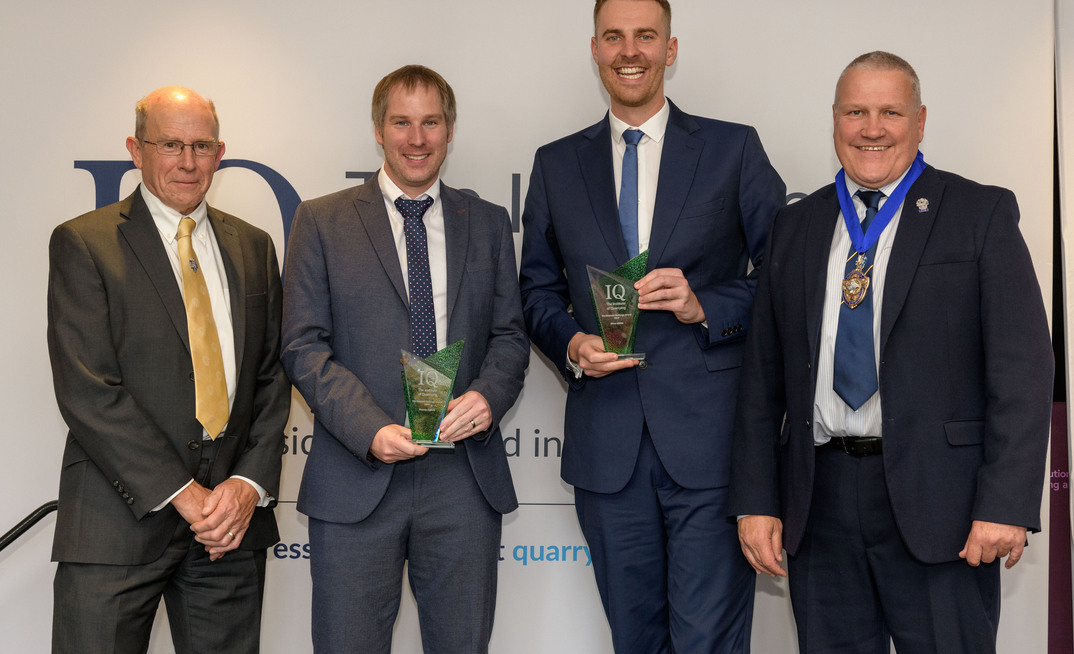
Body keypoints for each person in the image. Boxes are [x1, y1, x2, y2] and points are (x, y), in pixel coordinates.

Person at [729, 51, 1053, 653]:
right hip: (818, 502)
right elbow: (761, 380)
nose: (871, 129)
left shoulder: (978, 214)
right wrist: (754, 500)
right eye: (856, 111)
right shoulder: (795, 227)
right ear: (834, 121)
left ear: (921, 120)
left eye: (889, 112)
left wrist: (1005, 503)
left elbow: (1023, 371)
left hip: (945, 508)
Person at [518, 0, 785, 651]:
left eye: (645, 36)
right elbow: (537, 289)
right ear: (595, 48)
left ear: (670, 49)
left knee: (707, 641)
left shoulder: (732, 149)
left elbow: (786, 281)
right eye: (614, 36)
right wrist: (572, 345)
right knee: (636, 639)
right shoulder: (556, 164)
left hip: (712, 447)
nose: (628, 50)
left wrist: (705, 306)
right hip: (608, 449)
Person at [281, 64, 529, 654]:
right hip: (357, 476)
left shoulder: (490, 223)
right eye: (401, 123)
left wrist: (487, 397)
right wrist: (371, 430)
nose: (416, 139)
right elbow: (302, 346)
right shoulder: (321, 221)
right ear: (378, 129)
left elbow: (510, 337)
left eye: (431, 123)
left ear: (449, 130)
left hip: (462, 481)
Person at [47, 86, 290, 654]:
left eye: (201, 145)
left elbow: (271, 379)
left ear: (220, 152)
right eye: (170, 144)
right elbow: (88, 390)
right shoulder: (84, 243)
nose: (187, 161)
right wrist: (183, 492)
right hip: (114, 528)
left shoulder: (254, 247)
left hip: (227, 534)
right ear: (136, 149)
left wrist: (247, 487)